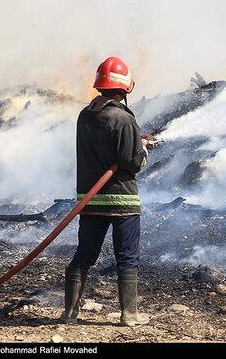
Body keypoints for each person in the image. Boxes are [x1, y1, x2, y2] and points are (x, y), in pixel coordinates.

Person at [61, 56, 153, 326]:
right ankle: (129, 314)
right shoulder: (124, 118)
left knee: (85, 253)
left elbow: (107, 146)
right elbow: (131, 163)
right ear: (124, 88)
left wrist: (137, 140)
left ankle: (69, 313)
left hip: (90, 200)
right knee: (126, 256)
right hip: (122, 199)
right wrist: (144, 149)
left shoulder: (85, 115)